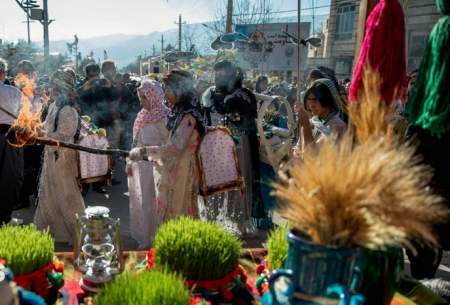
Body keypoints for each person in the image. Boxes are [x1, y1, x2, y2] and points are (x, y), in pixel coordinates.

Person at [128, 70, 204, 221]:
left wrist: (143, 151)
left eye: (168, 90)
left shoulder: (188, 116)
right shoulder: (179, 112)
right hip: (174, 167)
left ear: (179, 90)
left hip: (183, 171)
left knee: (179, 212)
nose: (165, 94)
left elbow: (174, 148)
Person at [200, 60, 261, 235]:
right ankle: (215, 220)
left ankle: (239, 223)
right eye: (216, 73)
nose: (219, 77)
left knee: (237, 181)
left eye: (223, 73)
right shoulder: (210, 93)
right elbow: (206, 118)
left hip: (238, 145)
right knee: (216, 182)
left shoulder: (244, 95)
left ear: (233, 74)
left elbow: (239, 116)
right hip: (215, 146)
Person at [34, 69, 85, 243]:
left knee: (66, 193)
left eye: (54, 86)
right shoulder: (55, 105)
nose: (50, 89)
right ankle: (53, 231)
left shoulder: (68, 109)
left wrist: (43, 136)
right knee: (49, 191)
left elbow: (64, 135)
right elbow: (48, 126)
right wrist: (37, 127)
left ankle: (76, 232)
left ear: (61, 87)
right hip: (51, 155)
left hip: (63, 157)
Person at [127, 79, 168, 249]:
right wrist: (131, 160)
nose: (141, 101)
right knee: (146, 201)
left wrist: (151, 152)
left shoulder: (165, 117)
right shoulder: (142, 116)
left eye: (144, 97)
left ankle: (161, 236)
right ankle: (147, 236)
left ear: (154, 97)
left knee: (159, 201)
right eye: (140, 97)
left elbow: (169, 144)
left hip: (159, 166)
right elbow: (136, 140)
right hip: (143, 165)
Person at [0, 58, 24, 225]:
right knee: (9, 177)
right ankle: (4, 217)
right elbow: (23, 116)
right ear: (3, 72)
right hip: (9, 137)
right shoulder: (14, 92)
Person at [297, 79, 346, 147]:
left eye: (315, 100)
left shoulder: (337, 126)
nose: (311, 105)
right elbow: (298, 149)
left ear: (327, 100)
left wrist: (306, 128)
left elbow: (313, 155)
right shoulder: (312, 122)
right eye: (309, 99)